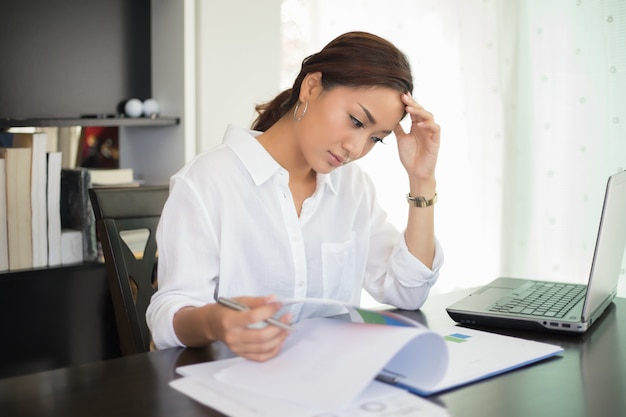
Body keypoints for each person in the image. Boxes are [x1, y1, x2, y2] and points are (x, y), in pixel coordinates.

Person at [146, 31, 443, 361]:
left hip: (329, 387)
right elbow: (167, 317)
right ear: (311, 87)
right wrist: (217, 322)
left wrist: (422, 179)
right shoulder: (208, 180)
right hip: (233, 389)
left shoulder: (353, 188)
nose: (356, 148)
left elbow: (408, 291)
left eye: (376, 139)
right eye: (356, 121)